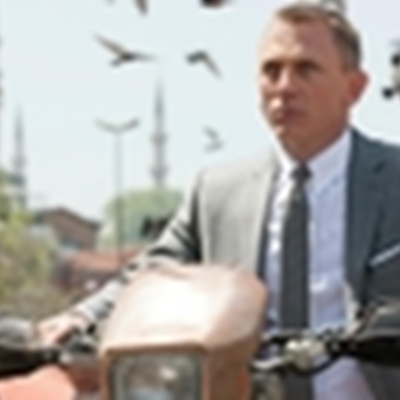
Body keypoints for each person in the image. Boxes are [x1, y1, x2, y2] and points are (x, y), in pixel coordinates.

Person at [39, 3, 400, 399]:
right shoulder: (217, 193)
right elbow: (152, 273)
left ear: (354, 88)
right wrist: (82, 316)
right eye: (271, 71)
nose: (284, 87)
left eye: (306, 69)